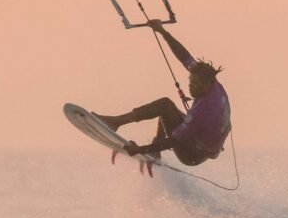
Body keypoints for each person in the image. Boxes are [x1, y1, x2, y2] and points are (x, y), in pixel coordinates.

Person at [94, 20, 231, 166]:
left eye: (197, 85)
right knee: (168, 110)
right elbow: (184, 56)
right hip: (202, 142)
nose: (191, 87)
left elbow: (174, 140)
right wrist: (163, 32)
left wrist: (140, 150)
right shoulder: (211, 81)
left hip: (192, 154)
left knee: (165, 106)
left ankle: (116, 122)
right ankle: (153, 148)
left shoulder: (204, 109)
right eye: (191, 81)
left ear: (207, 84)